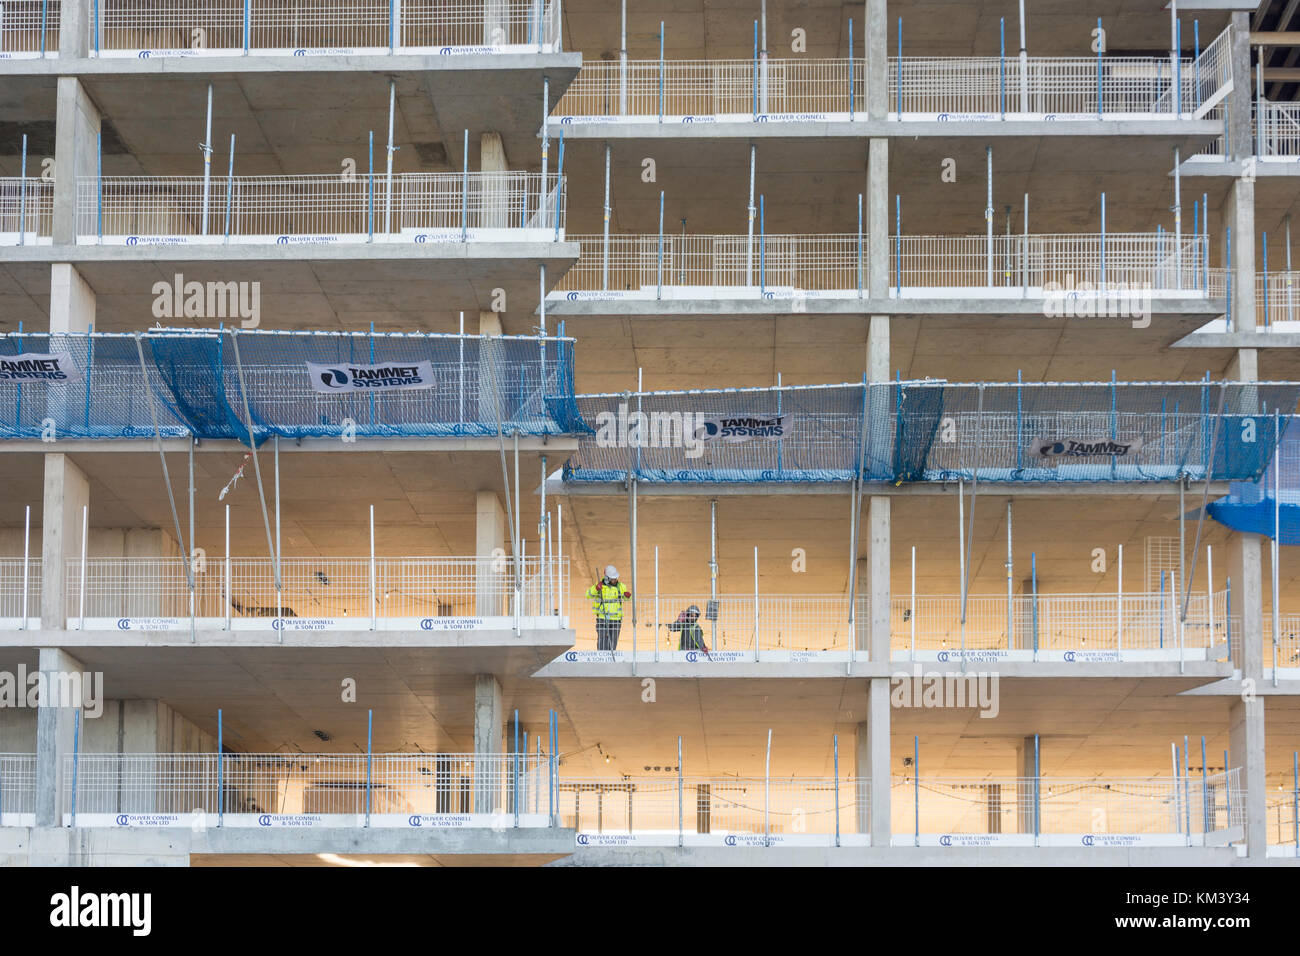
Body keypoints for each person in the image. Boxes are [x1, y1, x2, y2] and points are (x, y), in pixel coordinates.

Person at [586, 565, 631, 650]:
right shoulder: (599, 586)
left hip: (616, 619)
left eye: (615, 578)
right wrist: (596, 589)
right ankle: (601, 656)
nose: (615, 580)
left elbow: (627, 598)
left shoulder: (621, 586)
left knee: (613, 641)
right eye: (612, 578)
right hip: (602, 618)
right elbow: (588, 595)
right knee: (602, 639)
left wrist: (627, 596)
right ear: (607, 578)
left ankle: (611, 657)